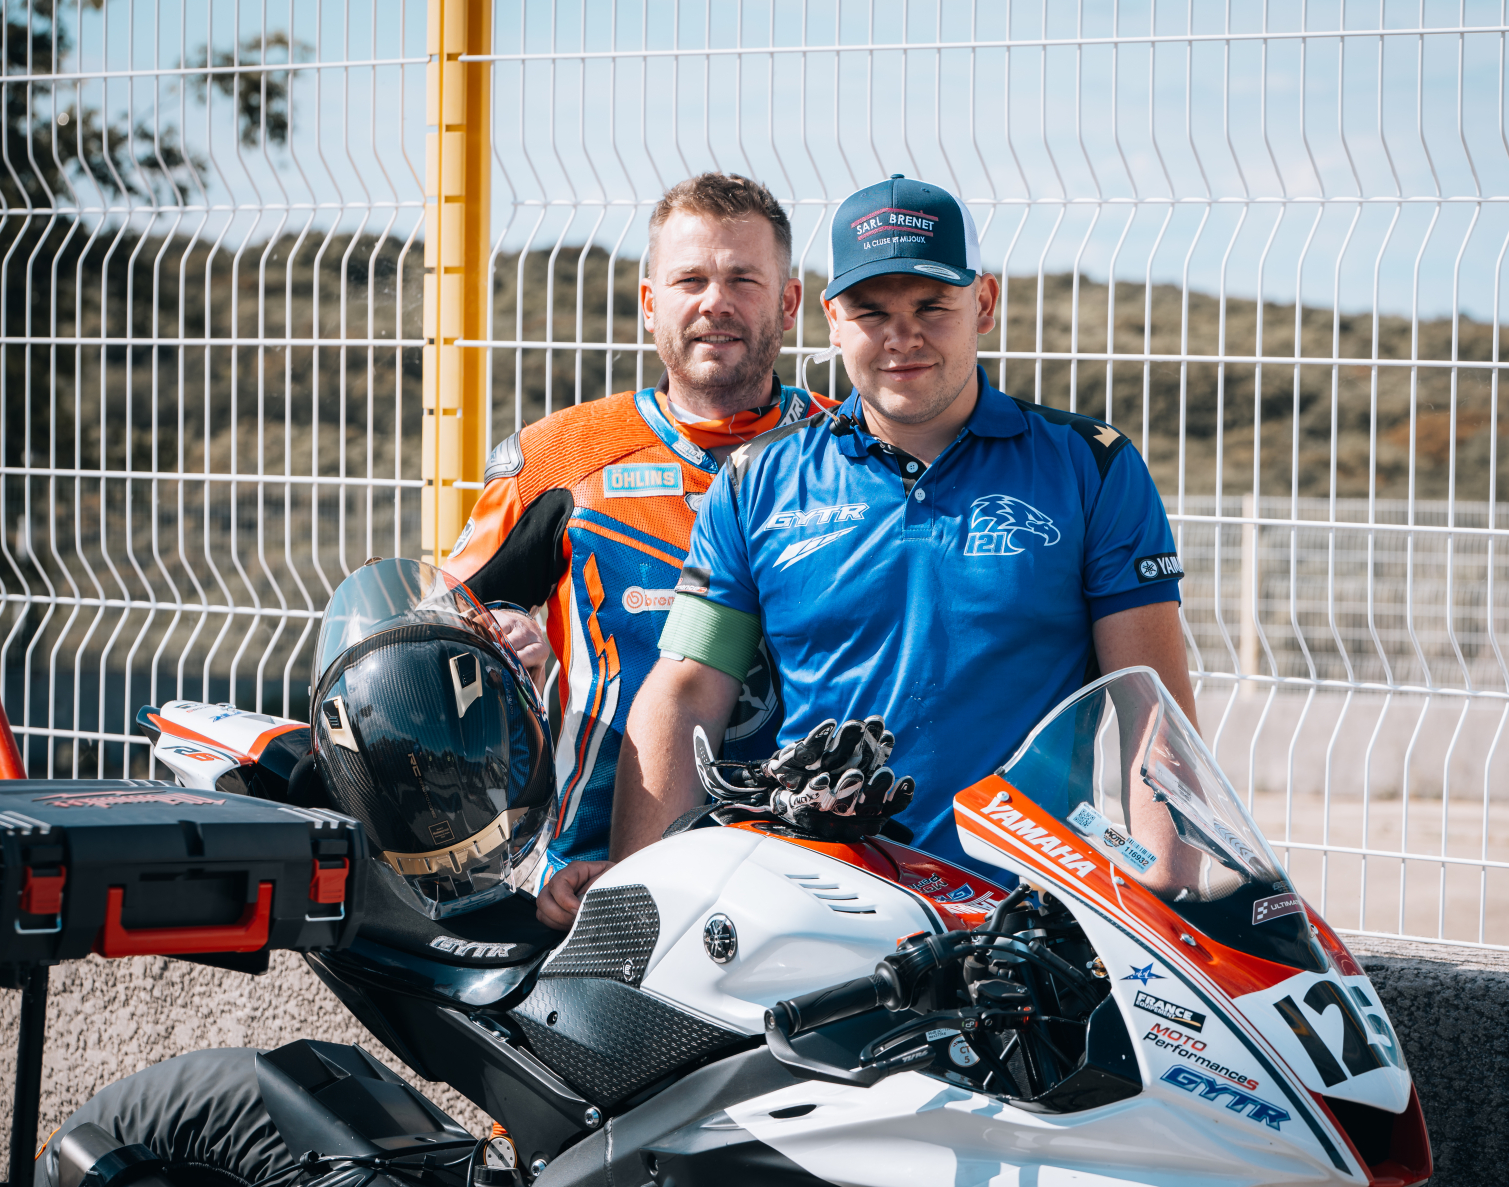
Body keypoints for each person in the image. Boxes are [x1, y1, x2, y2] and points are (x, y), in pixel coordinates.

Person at [610, 173, 1197, 872]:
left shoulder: (1092, 467)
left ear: (984, 303)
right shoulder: (754, 480)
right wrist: (634, 904)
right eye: (870, 312)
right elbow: (684, 691)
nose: (903, 337)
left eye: (931, 306)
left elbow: (1155, 711)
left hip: (1029, 909)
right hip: (815, 896)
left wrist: (1170, 892)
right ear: (832, 320)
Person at [442, 172, 835, 928]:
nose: (715, 302)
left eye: (743, 279)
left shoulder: (851, 454)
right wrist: (498, 644)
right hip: (586, 883)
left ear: (788, 303)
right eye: (690, 280)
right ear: (651, 302)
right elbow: (431, 636)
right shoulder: (560, 459)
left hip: (808, 880)